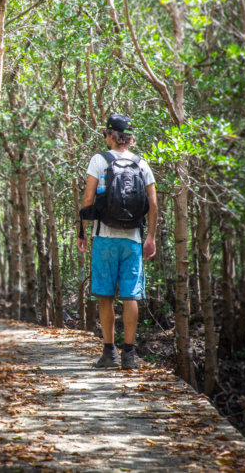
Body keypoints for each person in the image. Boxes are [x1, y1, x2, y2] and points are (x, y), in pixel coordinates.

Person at [77, 114, 158, 370]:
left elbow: (88, 199)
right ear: (130, 138)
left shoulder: (99, 160)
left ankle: (109, 352)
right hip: (133, 239)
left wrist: (82, 232)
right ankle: (130, 355)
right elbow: (153, 204)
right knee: (130, 295)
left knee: (105, 296)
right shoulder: (142, 164)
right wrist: (151, 238)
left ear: (110, 135)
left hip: (104, 237)